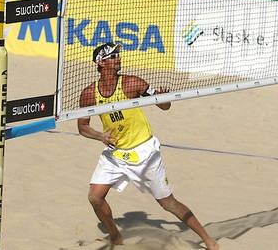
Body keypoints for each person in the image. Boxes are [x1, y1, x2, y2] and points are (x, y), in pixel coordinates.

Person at [77, 42, 219, 249]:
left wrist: (162, 99)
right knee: (95, 198)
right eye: (113, 56)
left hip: (143, 151)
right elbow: (82, 127)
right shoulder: (89, 94)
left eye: (118, 55)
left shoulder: (132, 83)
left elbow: (164, 106)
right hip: (115, 153)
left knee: (168, 203)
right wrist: (100, 136)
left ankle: (209, 240)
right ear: (101, 63)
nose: (118, 58)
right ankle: (115, 235)